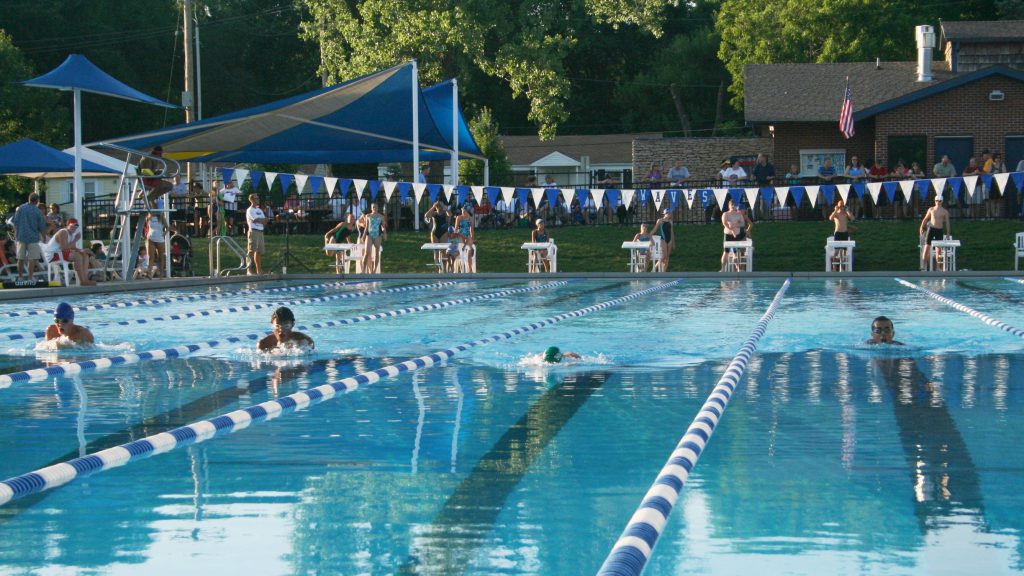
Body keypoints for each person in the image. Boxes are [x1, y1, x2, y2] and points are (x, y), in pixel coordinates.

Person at [11, 192, 47, 280]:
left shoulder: (20, 208)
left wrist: (16, 234)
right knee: (32, 258)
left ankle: (20, 277)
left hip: (21, 236)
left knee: (20, 258)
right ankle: (30, 277)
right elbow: (42, 227)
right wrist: (44, 238)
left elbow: (15, 223)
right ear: (37, 201)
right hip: (33, 237)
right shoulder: (38, 211)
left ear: (29, 199)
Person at [51, 219, 96, 286]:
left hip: (61, 253)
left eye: (75, 227)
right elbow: (64, 248)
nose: (74, 228)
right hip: (54, 254)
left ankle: (85, 279)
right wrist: (76, 239)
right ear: (67, 226)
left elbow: (73, 248)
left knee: (85, 255)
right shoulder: (63, 232)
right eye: (72, 226)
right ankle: (82, 281)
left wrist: (83, 250)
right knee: (77, 256)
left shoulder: (71, 234)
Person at [721, 196, 753, 272]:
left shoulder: (739, 215)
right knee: (726, 252)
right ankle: (722, 268)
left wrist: (735, 225)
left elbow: (742, 224)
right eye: (732, 205)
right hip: (728, 235)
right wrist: (731, 229)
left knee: (736, 253)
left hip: (737, 235)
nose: (733, 207)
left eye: (734, 205)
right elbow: (724, 223)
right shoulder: (726, 214)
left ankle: (738, 268)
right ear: (729, 206)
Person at [919, 195, 951, 271]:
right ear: (935, 201)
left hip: (939, 230)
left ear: (942, 201)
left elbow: (947, 223)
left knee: (938, 250)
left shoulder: (945, 212)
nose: (938, 202)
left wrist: (948, 233)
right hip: (931, 229)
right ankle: (923, 265)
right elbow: (926, 219)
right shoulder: (931, 209)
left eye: (940, 201)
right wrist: (921, 227)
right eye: (937, 200)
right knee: (926, 248)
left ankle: (938, 267)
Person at [246, 193, 268, 275]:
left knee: (259, 252)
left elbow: (265, 220)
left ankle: (259, 270)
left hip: (260, 231)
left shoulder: (259, 210)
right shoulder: (250, 210)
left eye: (258, 198)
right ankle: (248, 270)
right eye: (256, 198)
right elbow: (256, 219)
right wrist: (261, 220)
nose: (258, 200)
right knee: (251, 251)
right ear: (252, 200)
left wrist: (261, 220)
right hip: (253, 231)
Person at [362, 203, 386, 273]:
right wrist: (363, 235)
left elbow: (383, 226)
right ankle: (363, 270)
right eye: (373, 207)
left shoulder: (381, 217)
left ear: (378, 208)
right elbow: (366, 227)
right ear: (371, 208)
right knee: (366, 252)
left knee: (377, 253)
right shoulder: (368, 216)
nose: (375, 208)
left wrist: (384, 233)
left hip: (377, 235)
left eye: (376, 207)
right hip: (369, 235)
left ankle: (374, 271)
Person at [146, 211, 168, 278]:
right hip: (151, 238)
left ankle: (161, 274)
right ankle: (149, 273)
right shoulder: (149, 217)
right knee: (151, 256)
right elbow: (147, 226)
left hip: (160, 239)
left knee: (160, 257)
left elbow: (167, 227)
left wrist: (164, 233)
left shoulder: (161, 217)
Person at [454, 206, 476, 272]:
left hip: (467, 235)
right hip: (460, 235)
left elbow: (471, 230)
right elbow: (455, 230)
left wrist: (472, 239)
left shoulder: (471, 219)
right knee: (461, 251)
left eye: (464, 211)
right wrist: (460, 235)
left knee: (470, 251)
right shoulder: (459, 218)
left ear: (467, 211)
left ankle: (470, 269)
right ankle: (461, 268)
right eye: (462, 211)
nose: (462, 212)